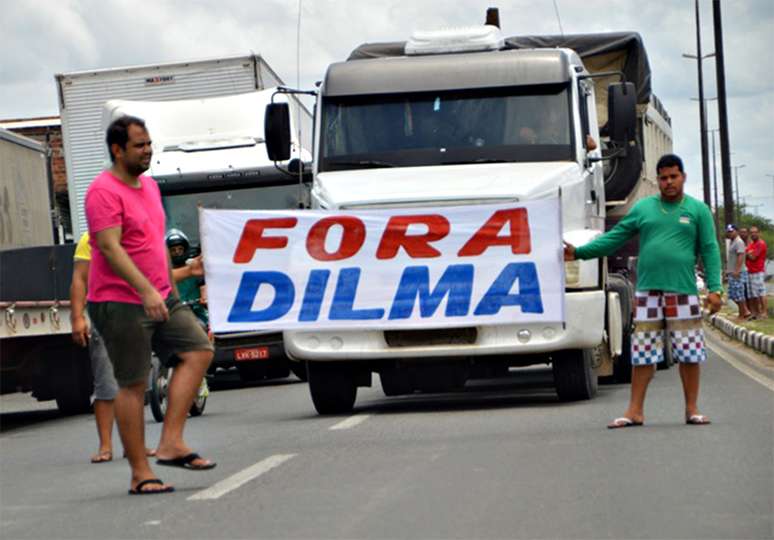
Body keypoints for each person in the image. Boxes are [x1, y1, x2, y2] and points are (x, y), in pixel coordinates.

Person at [85, 115, 215, 495]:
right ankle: (140, 473)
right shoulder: (102, 192)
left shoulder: (150, 187)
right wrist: (145, 290)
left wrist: (181, 273)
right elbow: (110, 248)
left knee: (199, 350)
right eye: (139, 145)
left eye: (149, 143)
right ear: (117, 149)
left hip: (162, 294)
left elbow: (151, 243)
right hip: (120, 301)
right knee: (133, 383)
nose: (148, 150)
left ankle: (171, 441)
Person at [564, 154, 722, 428]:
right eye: (663, 178)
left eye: (673, 176)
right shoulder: (644, 209)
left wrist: (715, 288)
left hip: (682, 291)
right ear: (658, 180)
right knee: (643, 352)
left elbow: (710, 249)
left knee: (689, 352)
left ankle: (692, 409)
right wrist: (579, 252)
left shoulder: (698, 210)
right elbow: (614, 239)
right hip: (648, 292)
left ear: (683, 177)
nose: (668, 182)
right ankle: (635, 411)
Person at [70, 232, 206, 463]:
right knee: (106, 384)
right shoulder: (92, 238)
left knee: (137, 382)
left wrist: (190, 272)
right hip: (110, 316)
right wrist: (77, 317)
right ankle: (105, 445)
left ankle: (139, 445)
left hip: (146, 313)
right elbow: (80, 279)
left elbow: (160, 276)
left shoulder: (147, 232)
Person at [725, 224, 752, 321]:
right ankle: (742, 313)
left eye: (731, 231)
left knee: (738, 293)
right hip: (732, 271)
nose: (729, 233)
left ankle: (745, 312)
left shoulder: (739, 242)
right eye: (728, 231)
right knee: (733, 294)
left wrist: (737, 270)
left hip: (738, 272)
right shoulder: (732, 242)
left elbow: (741, 257)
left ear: (736, 231)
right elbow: (732, 258)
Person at [745, 225, 768, 318]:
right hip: (750, 271)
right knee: (753, 294)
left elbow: (753, 257)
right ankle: (756, 312)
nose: (753, 234)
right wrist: (748, 253)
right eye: (751, 232)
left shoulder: (760, 244)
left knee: (761, 293)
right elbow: (746, 254)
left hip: (757, 271)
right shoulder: (751, 244)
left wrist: (749, 254)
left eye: (755, 232)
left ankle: (764, 312)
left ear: (759, 233)